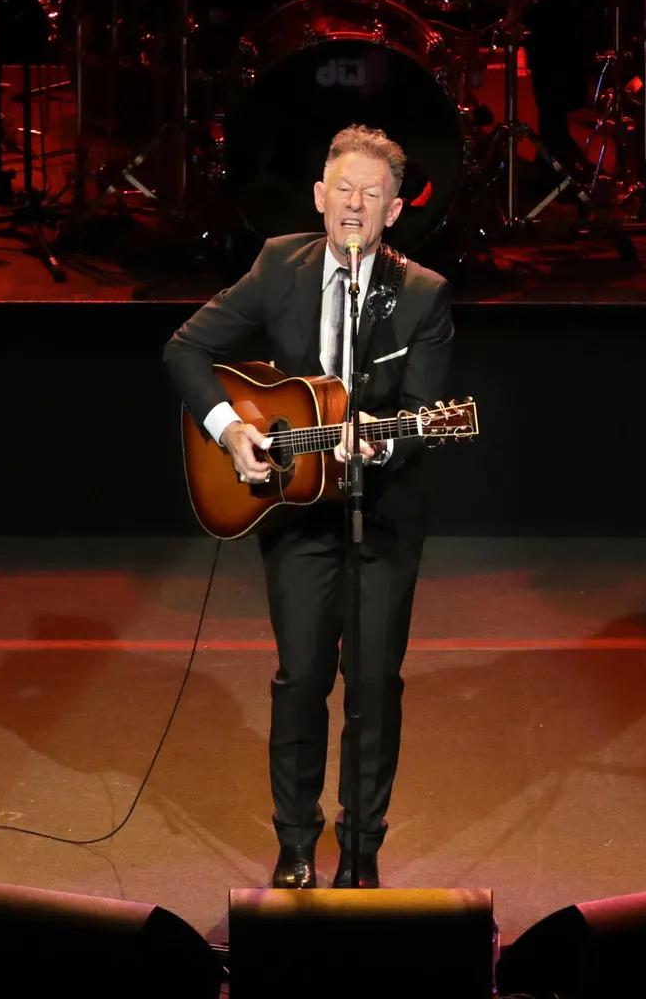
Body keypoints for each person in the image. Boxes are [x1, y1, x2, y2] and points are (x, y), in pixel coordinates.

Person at [163, 125, 453, 889]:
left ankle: (362, 852)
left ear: (393, 212)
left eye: (373, 195)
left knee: (372, 686)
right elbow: (184, 350)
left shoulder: (421, 294)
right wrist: (231, 433)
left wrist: (380, 442)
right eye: (344, 191)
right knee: (299, 680)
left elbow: (423, 413)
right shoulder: (276, 265)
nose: (355, 206)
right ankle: (295, 846)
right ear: (320, 198)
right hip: (292, 507)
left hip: (381, 515)